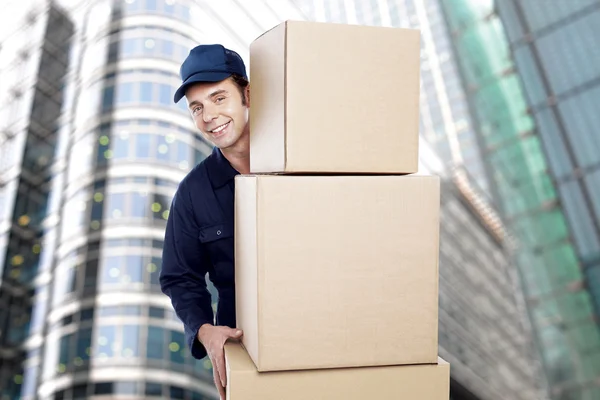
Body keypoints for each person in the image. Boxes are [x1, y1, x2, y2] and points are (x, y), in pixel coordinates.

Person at [159, 44, 250, 400]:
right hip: (246, 350)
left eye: (218, 98)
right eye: (197, 107)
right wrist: (203, 330)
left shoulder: (298, 165)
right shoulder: (192, 193)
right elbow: (179, 277)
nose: (208, 115)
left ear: (247, 94)